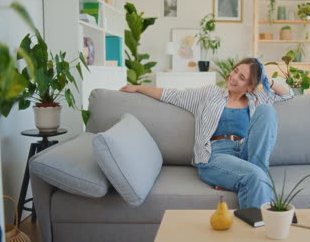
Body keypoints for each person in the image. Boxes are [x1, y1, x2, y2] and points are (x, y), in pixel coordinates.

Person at [120, 57, 294, 209]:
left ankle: (253, 175)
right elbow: (170, 95)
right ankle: (257, 181)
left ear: (249, 87)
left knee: (267, 111)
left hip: (245, 153)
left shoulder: (257, 98)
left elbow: (288, 95)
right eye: (235, 71)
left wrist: (268, 81)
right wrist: (138, 88)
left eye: (241, 78)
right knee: (255, 176)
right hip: (215, 154)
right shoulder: (210, 94)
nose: (233, 77)